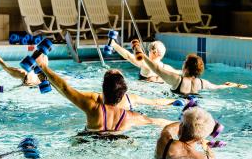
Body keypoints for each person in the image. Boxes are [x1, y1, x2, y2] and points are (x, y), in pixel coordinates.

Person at [36, 56, 174, 134]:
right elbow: (157, 121)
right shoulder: (131, 116)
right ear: (123, 93)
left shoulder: (93, 108)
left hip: (89, 142)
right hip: (118, 144)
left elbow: (65, 89)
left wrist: (43, 66)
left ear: (103, 89)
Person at [142, 53, 247, 96]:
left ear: (186, 67)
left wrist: (142, 54)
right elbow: (218, 87)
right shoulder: (203, 83)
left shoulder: (177, 79)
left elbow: (157, 69)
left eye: (184, 62)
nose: (183, 64)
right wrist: (234, 85)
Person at [110, 40, 179, 82]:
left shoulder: (146, 65)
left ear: (153, 52)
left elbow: (128, 56)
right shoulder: (166, 68)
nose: (148, 52)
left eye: (149, 50)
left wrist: (114, 44)